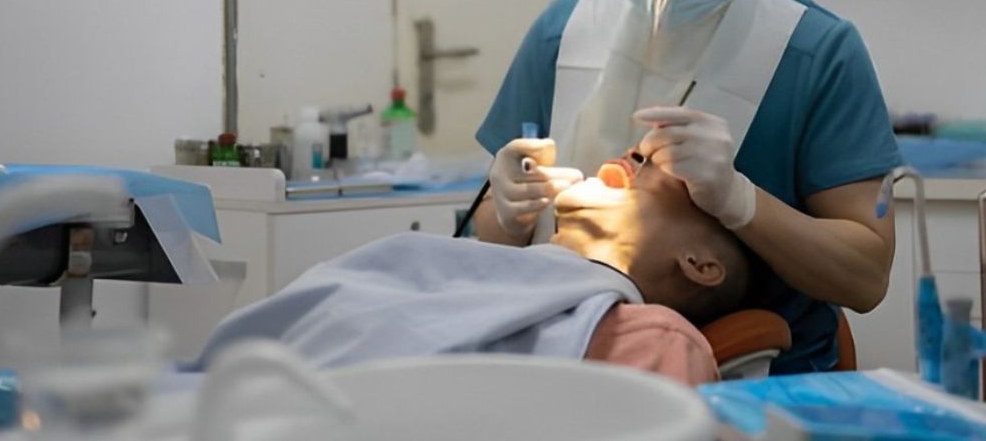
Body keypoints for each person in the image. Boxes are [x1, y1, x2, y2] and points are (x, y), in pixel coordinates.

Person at [474, 0, 902, 374]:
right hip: (562, 368)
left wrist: (742, 202)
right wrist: (506, 214)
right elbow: (481, 246)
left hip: (762, 388)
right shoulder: (558, 34)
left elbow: (865, 279)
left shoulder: (816, 53)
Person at [192, 156, 748, 385]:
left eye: (649, 169)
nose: (616, 164)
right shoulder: (456, 273)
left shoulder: (652, 341)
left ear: (700, 265)